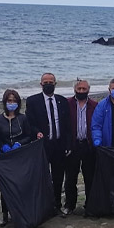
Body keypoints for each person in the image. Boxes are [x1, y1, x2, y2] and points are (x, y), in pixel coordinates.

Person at [25, 73, 72, 217]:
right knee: (42, 177)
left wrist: (68, 144)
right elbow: (30, 123)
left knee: (58, 177)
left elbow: (68, 125)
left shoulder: (62, 101)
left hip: (59, 145)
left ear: (55, 84)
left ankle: (57, 204)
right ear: (41, 84)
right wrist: (36, 132)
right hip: (42, 145)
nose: (48, 84)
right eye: (45, 82)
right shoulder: (32, 101)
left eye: (51, 82)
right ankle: (43, 206)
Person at [0, 89, 32, 226]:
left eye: (14, 101)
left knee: (21, 185)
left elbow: (29, 135)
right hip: (5, 158)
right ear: (5, 102)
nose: (12, 103)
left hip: (20, 155)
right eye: (9, 100)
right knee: (6, 186)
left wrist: (19, 143)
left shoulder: (23, 118)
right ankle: (5, 214)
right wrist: (2, 146)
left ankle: (22, 212)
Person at [65, 79, 98, 214]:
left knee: (89, 176)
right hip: (73, 145)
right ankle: (69, 205)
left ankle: (90, 204)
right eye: (79, 89)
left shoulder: (95, 105)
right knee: (70, 177)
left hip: (88, 145)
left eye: (84, 89)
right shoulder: (67, 104)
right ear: (75, 90)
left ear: (88, 90)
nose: (81, 91)